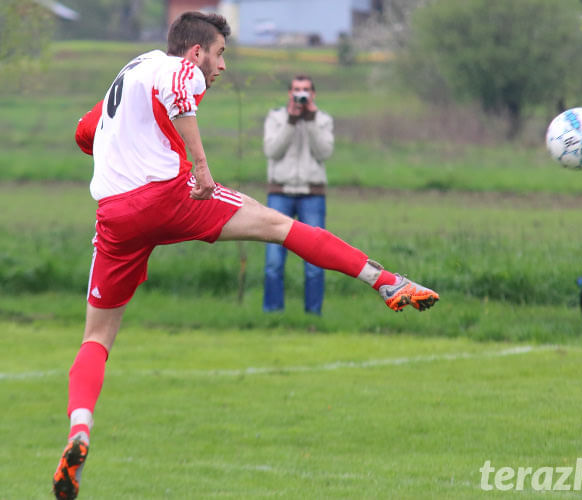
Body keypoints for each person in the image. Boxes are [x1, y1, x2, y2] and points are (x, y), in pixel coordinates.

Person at [53, 12, 439, 499]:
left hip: (115, 216)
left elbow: (85, 134)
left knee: (97, 338)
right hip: (174, 196)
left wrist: (127, 152)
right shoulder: (176, 67)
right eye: (219, 54)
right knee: (280, 226)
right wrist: (200, 165)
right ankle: (387, 282)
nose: (221, 66)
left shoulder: (128, 74)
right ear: (196, 51)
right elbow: (179, 90)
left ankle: (79, 432)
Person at [262, 75, 333, 314]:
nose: (300, 95)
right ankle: (273, 313)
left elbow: (324, 152)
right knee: (273, 260)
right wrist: (291, 120)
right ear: (289, 93)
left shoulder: (322, 120)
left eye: (305, 91)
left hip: (312, 194)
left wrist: (310, 119)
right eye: (296, 90)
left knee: (315, 261)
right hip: (280, 192)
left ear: (313, 94)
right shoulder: (276, 118)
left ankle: (313, 313)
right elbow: (272, 150)